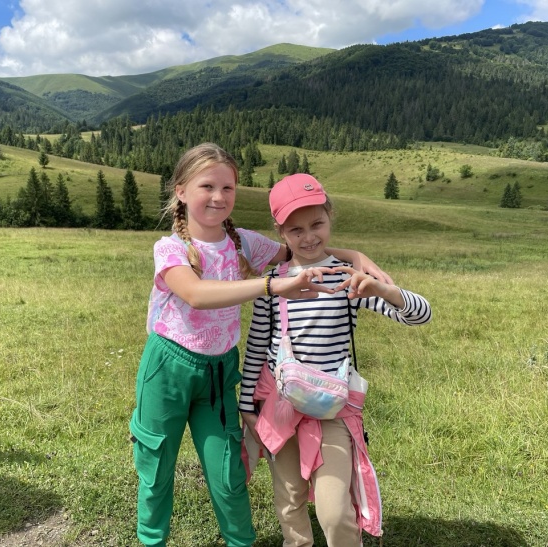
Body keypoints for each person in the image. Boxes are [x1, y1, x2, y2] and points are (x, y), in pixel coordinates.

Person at [129, 143, 392, 547]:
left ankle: (240, 542)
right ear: (180, 191)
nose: (218, 197)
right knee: (156, 465)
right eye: (207, 186)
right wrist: (270, 285)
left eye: (228, 188)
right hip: (167, 369)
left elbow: (303, 248)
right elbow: (195, 294)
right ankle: (152, 541)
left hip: (219, 372)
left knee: (228, 472)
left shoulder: (245, 243)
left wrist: (353, 254)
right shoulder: (170, 248)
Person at [240, 173, 432, 547]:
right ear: (280, 232)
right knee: (289, 499)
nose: (308, 237)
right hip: (280, 407)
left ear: (330, 217)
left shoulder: (349, 279)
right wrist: (247, 404)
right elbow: (257, 345)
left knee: (334, 510)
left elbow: (420, 315)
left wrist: (384, 290)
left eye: (317, 224)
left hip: (333, 409)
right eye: (296, 230)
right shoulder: (274, 283)